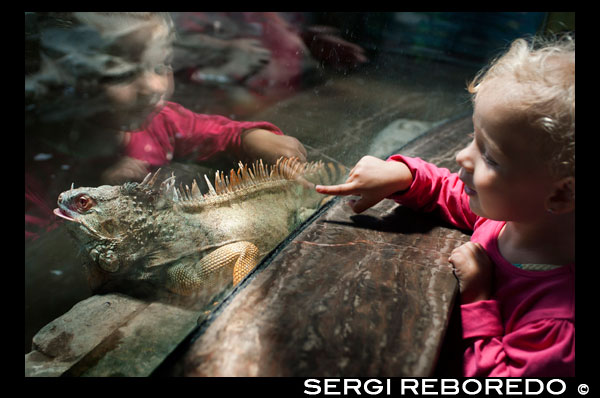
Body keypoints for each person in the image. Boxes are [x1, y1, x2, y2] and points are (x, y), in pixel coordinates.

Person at [316, 35, 575, 377]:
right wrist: (404, 175)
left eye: (489, 156)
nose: (462, 156)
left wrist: (479, 298)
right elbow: (453, 191)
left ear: (560, 195)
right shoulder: (518, 218)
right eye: (473, 136)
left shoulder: (557, 323)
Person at [25, 12, 307, 240]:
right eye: (121, 74)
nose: (153, 87)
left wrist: (250, 139)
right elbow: (39, 269)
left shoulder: (163, 122)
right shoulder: (35, 173)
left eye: (161, 65)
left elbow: (217, 134)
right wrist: (102, 198)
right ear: (58, 83)